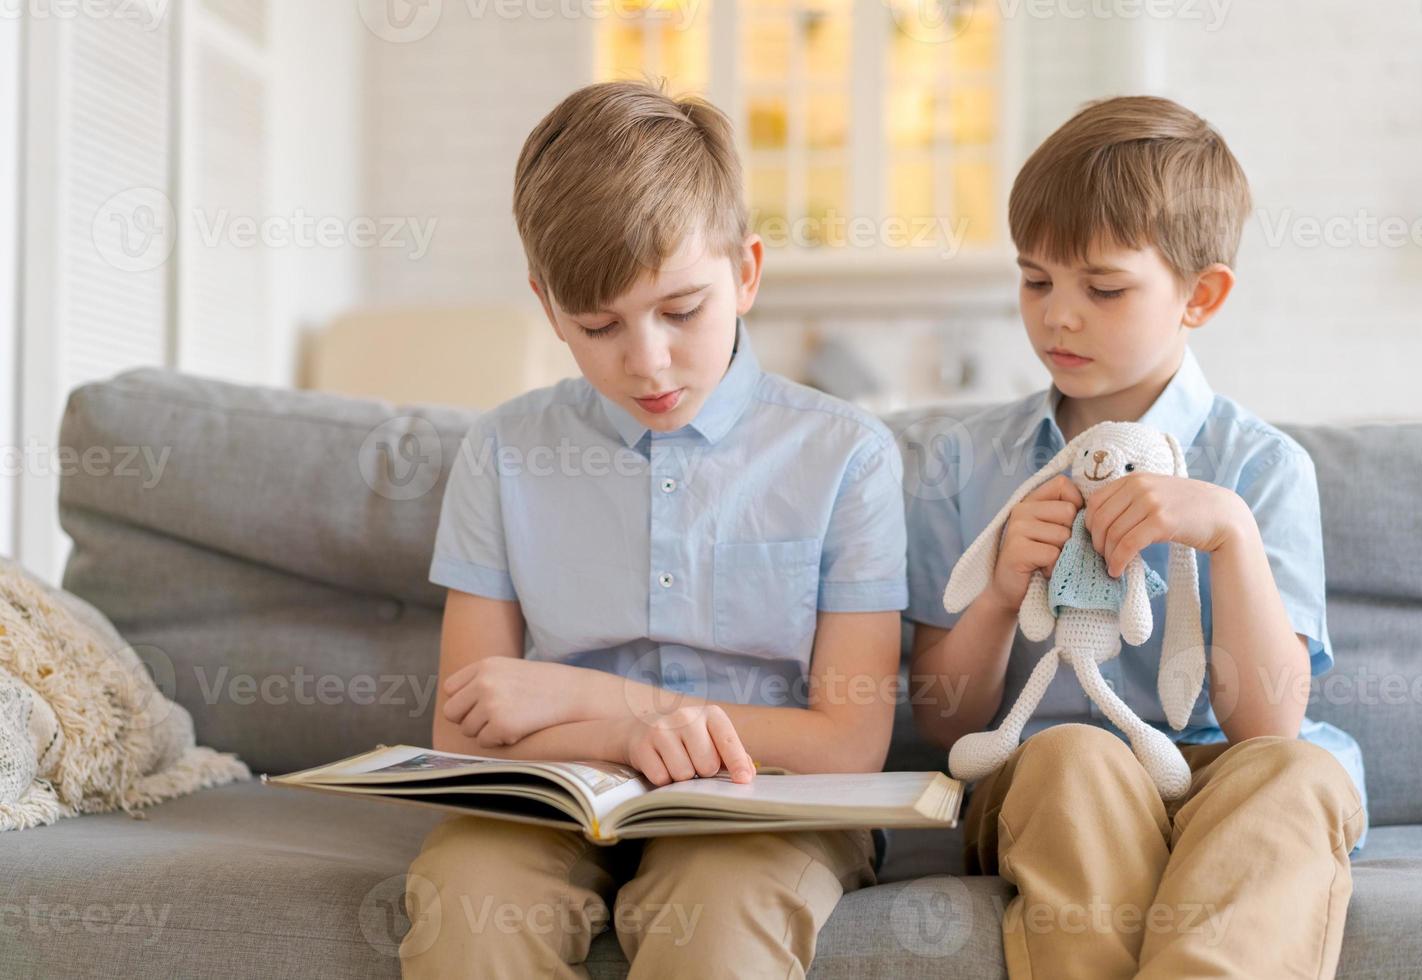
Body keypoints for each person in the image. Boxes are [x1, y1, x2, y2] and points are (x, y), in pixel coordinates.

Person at [399, 80, 909, 979]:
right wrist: (619, 739)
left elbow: (846, 742)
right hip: (556, 795)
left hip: (766, 807)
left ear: (746, 273)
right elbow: (462, 732)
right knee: (468, 903)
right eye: (598, 326)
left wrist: (601, 701)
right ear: (548, 308)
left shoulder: (847, 456)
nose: (648, 361)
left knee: (720, 917)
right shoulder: (504, 452)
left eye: (681, 311)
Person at [904, 95, 1367, 980]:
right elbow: (942, 721)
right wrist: (1002, 589)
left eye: (1103, 288)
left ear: (1202, 296)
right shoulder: (968, 462)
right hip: (1052, 772)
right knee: (1075, 755)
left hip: (1223, 767)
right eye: (1035, 280)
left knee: (1296, 773)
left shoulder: (1261, 468)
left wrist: (1227, 534)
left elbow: (1267, 725)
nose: (1057, 316)